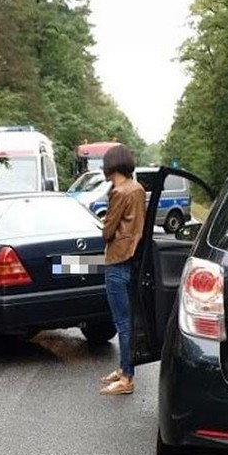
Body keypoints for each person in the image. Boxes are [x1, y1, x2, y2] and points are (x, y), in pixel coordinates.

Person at [99, 143, 146, 396]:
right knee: (127, 320)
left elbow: (108, 231)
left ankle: (127, 378)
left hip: (116, 259)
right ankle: (123, 368)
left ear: (111, 165)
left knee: (122, 322)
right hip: (131, 258)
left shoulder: (119, 192)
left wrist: (104, 226)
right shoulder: (138, 189)